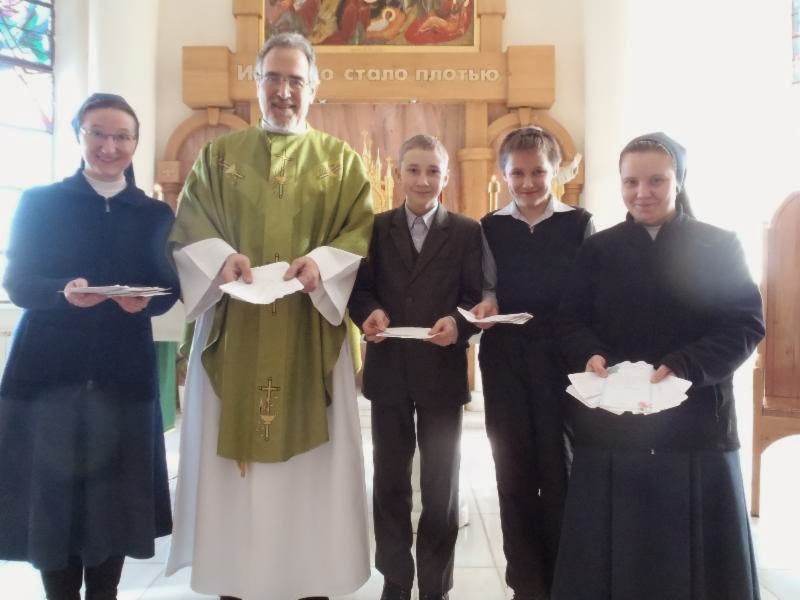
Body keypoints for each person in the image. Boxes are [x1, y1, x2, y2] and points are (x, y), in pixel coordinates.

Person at [165, 32, 374, 600]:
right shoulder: (218, 157)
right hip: (235, 332)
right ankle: (239, 580)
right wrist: (221, 258)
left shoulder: (341, 162)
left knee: (312, 471)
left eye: (295, 81)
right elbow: (190, 230)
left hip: (311, 335)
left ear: (315, 87)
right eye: (273, 79)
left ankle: (310, 580)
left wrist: (322, 264)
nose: (284, 92)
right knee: (238, 474)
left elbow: (359, 237)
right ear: (255, 83)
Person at [553, 132, 765, 599]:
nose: (641, 192)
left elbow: (745, 325)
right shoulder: (598, 250)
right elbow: (569, 321)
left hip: (695, 427)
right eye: (631, 182)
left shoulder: (719, 245)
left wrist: (686, 363)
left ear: (679, 180)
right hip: (614, 426)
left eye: (656, 180)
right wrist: (591, 353)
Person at [0, 93, 179, 599]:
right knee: (52, 505)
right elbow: (18, 282)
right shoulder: (41, 201)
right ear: (79, 136)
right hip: (48, 376)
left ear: (135, 144)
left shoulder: (154, 214)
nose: (109, 146)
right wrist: (64, 292)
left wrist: (143, 300)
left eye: (121, 136)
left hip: (121, 377)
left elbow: (168, 291)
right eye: (97, 133)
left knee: (114, 505)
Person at [349, 134, 482, 600]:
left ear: (446, 177)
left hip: (442, 374)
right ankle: (396, 580)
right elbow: (359, 291)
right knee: (389, 483)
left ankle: (436, 585)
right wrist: (368, 313)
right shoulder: (375, 228)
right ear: (398, 172)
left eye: (432, 171)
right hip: (389, 373)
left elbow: (477, 297)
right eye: (413, 169)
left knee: (440, 488)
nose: (423, 180)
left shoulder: (467, 231)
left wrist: (458, 323)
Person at [470, 126, 594, 600]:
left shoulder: (579, 223)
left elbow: (588, 294)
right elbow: (487, 287)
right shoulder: (491, 226)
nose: (527, 182)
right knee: (512, 467)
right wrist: (485, 306)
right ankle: (524, 580)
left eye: (538, 171)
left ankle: (564, 576)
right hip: (505, 357)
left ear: (556, 171)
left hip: (561, 357)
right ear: (502, 173)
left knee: (558, 465)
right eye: (517, 172)